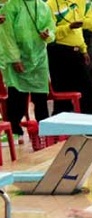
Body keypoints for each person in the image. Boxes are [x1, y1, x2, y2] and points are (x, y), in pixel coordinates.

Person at [0, 0, 55, 139]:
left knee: (41, 96)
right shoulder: (11, 6)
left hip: (39, 57)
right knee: (17, 96)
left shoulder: (43, 6)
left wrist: (48, 35)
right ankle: (14, 131)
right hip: (18, 57)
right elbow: (7, 36)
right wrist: (15, 58)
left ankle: (44, 131)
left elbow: (51, 27)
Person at [47, 0, 92, 114]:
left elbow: (78, 32)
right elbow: (51, 34)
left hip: (76, 52)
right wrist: (68, 27)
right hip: (59, 53)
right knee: (63, 94)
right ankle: (62, 126)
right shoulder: (50, 5)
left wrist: (83, 49)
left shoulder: (73, 4)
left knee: (87, 91)